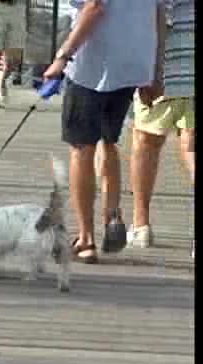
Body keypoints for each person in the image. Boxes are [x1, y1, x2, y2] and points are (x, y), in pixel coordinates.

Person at [43, 0, 162, 264]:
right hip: (132, 65)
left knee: (81, 149)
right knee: (108, 142)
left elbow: (94, 7)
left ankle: (86, 238)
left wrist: (62, 57)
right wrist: (154, 72)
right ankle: (111, 215)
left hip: (93, 67)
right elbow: (157, 13)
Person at [127, 0, 194, 257]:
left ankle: (141, 224)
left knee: (146, 142)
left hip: (167, 68)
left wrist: (151, 72)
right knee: (191, 147)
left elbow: (157, 19)